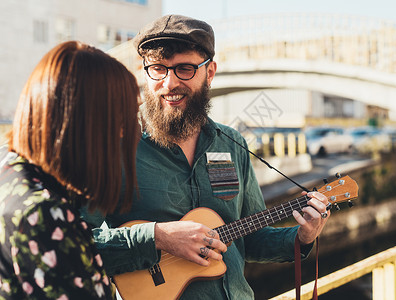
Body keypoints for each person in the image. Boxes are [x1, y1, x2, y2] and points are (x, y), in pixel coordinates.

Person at [82, 15, 330, 299]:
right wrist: (159, 237)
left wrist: (302, 237)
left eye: (185, 69)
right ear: (144, 72)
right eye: (158, 69)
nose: (169, 82)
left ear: (210, 72)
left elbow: (250, 239)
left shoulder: (232, 143)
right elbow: (77, 245)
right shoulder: (114, 147)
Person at [0, 41, 140, 299]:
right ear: (88, 122)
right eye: (120, 119)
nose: (123, 133)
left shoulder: (9, 172)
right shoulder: (46, 216)